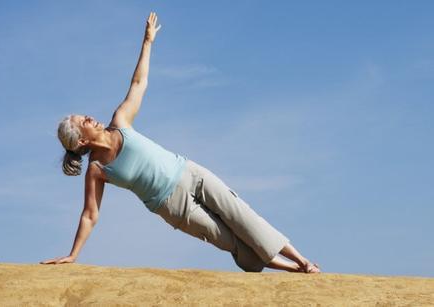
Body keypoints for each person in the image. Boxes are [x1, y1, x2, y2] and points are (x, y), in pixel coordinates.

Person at [40, 12, 320, 273]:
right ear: (79, 141)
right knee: (229, 241)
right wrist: (73, 254)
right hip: (173, 206)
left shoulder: (120, 121)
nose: (89, 117)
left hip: (189, 173)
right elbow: (90, 214)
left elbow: (138, 83)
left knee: (241, 216)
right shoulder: (97, 169)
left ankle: (301, 260)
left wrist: (147, 42)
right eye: (82, 122)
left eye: (84, 116)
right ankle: (293, 270)